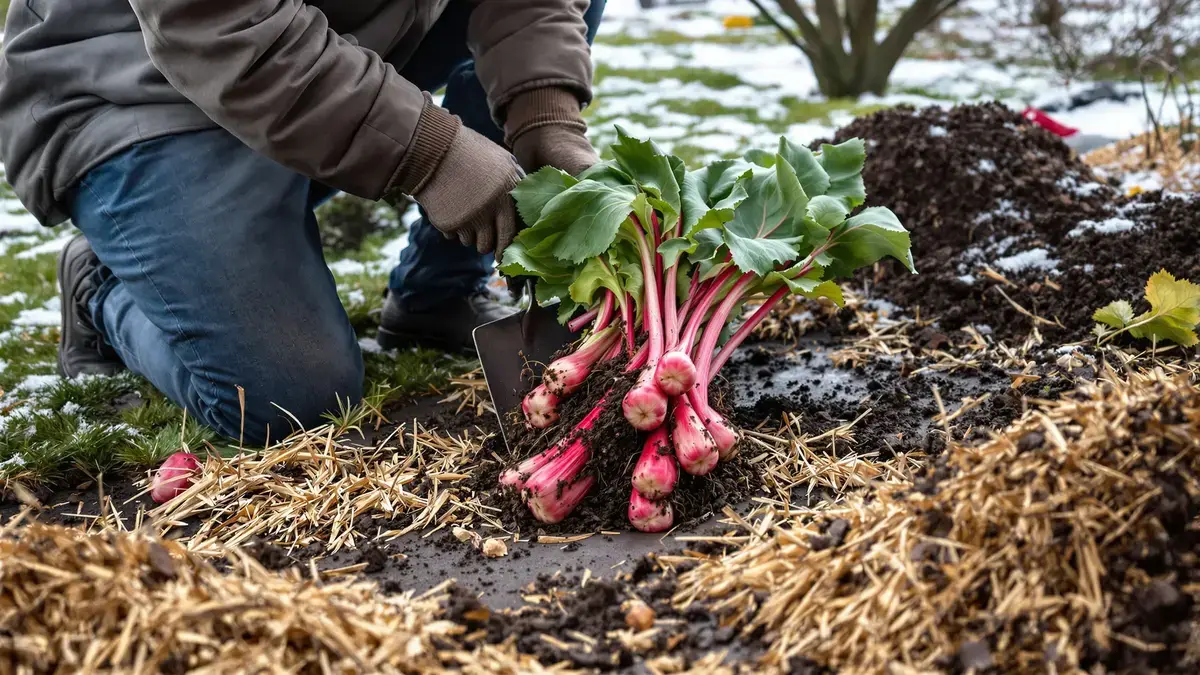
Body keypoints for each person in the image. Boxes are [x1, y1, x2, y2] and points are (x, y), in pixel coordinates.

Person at [0, 0, 605, 445]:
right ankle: (100, 287)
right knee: (283, 401)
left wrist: (543, 113)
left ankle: (437, 293)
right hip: (134, 89)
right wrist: (433, 155)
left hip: (313, 53)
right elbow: (211, 22)